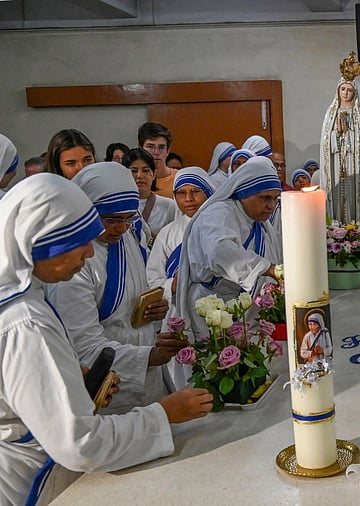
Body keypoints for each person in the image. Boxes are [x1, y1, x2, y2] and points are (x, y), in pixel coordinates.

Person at [0, 173, 212, 505]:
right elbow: (78, 443)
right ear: (39, 242)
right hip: (31, 477)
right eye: (78, 242)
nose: (88, 252)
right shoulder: (25, 323)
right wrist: (163, 414)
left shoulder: (22, 296)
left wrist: (72, 380)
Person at [46, 162, 186, 415]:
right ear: (85, 212)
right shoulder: (73, 263)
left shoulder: (126, 238)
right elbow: (84, 347)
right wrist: (149, 356)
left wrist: (152, 310)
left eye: (128, 219)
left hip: (146, 372)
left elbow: (129, 303)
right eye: (111, 220)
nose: (121, 228)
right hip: (110, 385)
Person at [174, 156, 283, 351]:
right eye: (265, 198)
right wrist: (270, 268)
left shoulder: (258, 222)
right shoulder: (218, 213)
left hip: (243, 305)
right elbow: (220, 253)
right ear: (244, 193)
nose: (271, 205)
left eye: (275, 198)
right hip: (211, 306)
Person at [316, 63, 360, 233]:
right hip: (336, 164)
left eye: (349, 90)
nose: (345, 93)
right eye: (342, 89)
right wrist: (338, 134)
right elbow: (326, 142)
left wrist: (348, 135)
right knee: (336, 197)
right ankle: (334, 231)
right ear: (338, 91)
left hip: (353, 163)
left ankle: (357, 232)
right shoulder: (331, 114)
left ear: (354, 92)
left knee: (354, 197)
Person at [146, 167, 215, 309]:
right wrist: (173, 285)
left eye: (196, 191)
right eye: (182, 193)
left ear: (209, 192)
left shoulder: (223, 228)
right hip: (178, 312)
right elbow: (152, 279)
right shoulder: (167, 233)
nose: (189, 198)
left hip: (220, 312)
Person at [124, 148, 176, 240]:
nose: (139, 176)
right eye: (134, 171)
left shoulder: (169, 205)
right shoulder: (118, 206)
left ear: (154, 174)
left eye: (146, 170)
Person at [138, 122, 178, 199]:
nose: (156, 152)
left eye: (161, 147)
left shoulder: (179, 179)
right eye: (150, 146)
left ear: (168, 150)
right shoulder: (133, 179)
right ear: (141, 148)